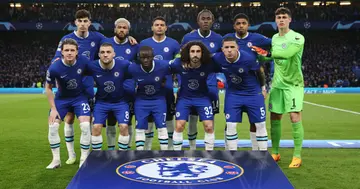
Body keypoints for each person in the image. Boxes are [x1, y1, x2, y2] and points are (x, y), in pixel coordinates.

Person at [252, 7, 305, 168]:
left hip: (294, 84)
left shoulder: (297, 37)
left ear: (290, 20)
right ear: (275, 21)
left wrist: (267, 54)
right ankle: (275, 152)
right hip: (277, 84)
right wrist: (256, 55)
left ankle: (297, 155)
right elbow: (272, 58)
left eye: (284, 17)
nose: (281, 19)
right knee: (275, 117)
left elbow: (286, 54)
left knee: (294, 116)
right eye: (279, 17)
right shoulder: (274, 38)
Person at [223, 13, 271, 150]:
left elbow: (275, 43)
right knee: (230, 122)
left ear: (248, 25)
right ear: (234, 26)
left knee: (255, 122)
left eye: (244, 23)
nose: (241, 26)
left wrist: (266, 56)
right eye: (238, 23)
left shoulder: (257, 38)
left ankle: (257, 151)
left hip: (253, 87)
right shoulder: (228, 40)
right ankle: (229, 150)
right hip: (233, 89)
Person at [212, 37, 268, 151]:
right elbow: (203, 58)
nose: (229, 50)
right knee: (231, 125)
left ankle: (262, 155)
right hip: (233, 95)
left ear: (237, 48)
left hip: (253, 93)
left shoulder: (248, 58)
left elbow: (260, 72)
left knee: (260, 124)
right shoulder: (217, 58)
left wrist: (263, 88)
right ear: (222, 49)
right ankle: (233, 155)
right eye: (226, 47)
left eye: (232, 47)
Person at [45, 39, 91, 169]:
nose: (69, 53)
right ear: (62, 52)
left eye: (72, 50)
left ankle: (84, 159)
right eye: (66, 50)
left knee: (86, 125)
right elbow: (48, 88)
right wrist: (53, 109)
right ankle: (56, 160)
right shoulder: (54, 67)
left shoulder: (84, 62)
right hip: (61, 99)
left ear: (77, 52)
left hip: (79, 98)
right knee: (53, 126)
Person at [180, 9, 222, 150]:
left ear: (212, 21)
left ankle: (209, 150)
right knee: (191, 117)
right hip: (191, 85)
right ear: (198, 22)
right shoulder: (188, 38)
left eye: (208, 19)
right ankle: (192, 149)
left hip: (211, 85)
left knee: (210, 118)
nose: (205, 21)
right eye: (202, 19)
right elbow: (182, 60)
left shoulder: (218, 39)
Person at [139, 16, 180, 150]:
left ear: (166, 28)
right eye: (157, 25)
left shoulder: (173, 44)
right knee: (149, 118)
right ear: (152, 27)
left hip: (167, 87)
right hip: (147, 88)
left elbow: (177, 64)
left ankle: (169, 148)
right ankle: (147, 148)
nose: (159, 27)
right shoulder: (144, 43)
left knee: (169, 117)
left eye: (162, 25)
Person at [100, 18, 138, 150]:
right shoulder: (105, 43)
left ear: (128, 30)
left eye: (125, 28)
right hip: (110, 90)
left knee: (127, 122)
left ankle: (127, 148)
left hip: (128, 91)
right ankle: (111, 149)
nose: (122, 30)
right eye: (119, 27)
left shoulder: (134, 46)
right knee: (110, 122)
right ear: (115, 29)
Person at [170, 41, 215, 151]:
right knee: (180, 125)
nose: (195, 54)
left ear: (202, 53)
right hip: (184, 99)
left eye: (198, 51)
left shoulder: (209, 65)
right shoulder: (178, 64)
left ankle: (209, 153)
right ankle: (177, 154)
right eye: (192, 51)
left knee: (209, 126)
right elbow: (163, 68)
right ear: (188, 53)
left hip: (203, 98)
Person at [86, 43, 131, 151]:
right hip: (101, 103)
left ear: (114, 54)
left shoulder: (124, 65)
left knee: (124, 127)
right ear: (99, 55)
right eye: (102, 52)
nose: (105, 55)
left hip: (120, 102)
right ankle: (97, 156)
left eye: (108, 52)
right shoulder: (92, 66)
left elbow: (138, 72)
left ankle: (122, 155)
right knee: (96, 128)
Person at [128, 46, 170, 150]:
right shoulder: (133, 68)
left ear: (153, 57)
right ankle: (140, 154)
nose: (146, 60)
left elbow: (177, 66)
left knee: (162, 127)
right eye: (143, 58)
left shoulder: (163, 66)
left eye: (148, 57)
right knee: (140, 128)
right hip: (141, 101)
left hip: (158, 100)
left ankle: (164, 153)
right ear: (139, 58)